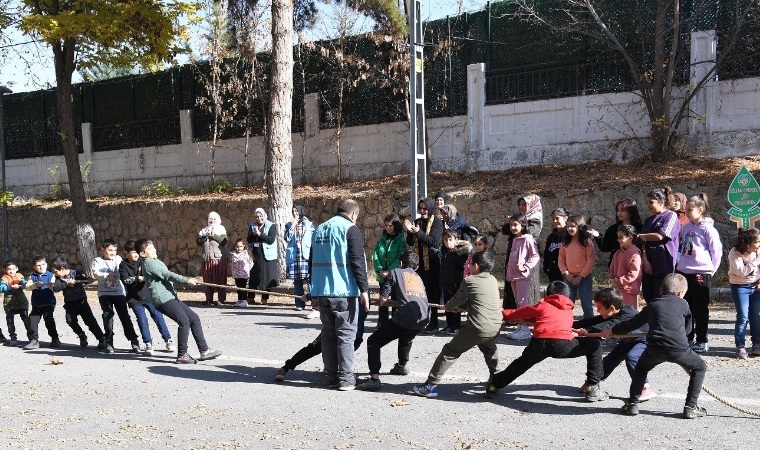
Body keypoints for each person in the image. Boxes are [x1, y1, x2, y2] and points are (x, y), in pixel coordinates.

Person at [601, 273, 708, 419]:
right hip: (678, 348)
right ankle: (691, 407)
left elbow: (632, 323)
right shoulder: (683, 304)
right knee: (700, 367)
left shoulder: (652, 305)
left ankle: (632, 404)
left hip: (654, 348)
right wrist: (685, 345)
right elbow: (689, 329)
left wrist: (612, 330)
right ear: (681, 293)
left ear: (660, 291)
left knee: (641, 369)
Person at [485, 281, 608, 402]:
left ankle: (494, 385)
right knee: (595, 345)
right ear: (567, 296)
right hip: (562, 345)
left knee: (521, 364)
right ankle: (592, 387)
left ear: (547, 295)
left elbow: (517, 314)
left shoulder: (541, 306)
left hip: (539, 343)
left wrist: (500, 314)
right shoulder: (568, 309)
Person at [413, 251, 501, 398]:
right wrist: (462, 306)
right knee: (490, 350)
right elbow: (478, 301)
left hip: (477, 327)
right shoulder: (493, 280)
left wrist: (448, 307)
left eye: (470, 264)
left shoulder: (470, 280)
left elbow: (456, 300)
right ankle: (496, 383)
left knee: (449, 352)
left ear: (476, 266)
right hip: (495, 325)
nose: (469, 266)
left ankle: (430, 386)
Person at [309, 199, 370, 391]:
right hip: (344, 291)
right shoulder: (350, 229)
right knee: (345, 335)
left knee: (328, 334)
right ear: (354, 214)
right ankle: (346, 378)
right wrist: (364, 290)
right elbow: (357, 261)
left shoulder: (319, 230)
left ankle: (332, 377)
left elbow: (312, 260)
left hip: (322, 290)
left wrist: (313, 290)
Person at [136, 239, 222, 364]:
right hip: (162, 299)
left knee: (194, 318)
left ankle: (204, 350)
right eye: (149, 249)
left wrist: (176, 283)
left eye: (153, 247)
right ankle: (182, 354)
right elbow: (166, 274)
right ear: (142, 254)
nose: (154, 249)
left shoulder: (154, 261)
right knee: (184, 321)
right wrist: (185, 280)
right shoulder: (149, 263)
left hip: (170, 296)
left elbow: (164, 277)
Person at [356, 251, 430, 391]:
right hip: (423, 318)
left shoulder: (395, 272)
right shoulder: (419, 278)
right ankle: (401, 366)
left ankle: (374, 378)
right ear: (417, 266)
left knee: (374, 341)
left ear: (401, 263)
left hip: (405, 317)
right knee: (406, 336)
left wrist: (382, 301)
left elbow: (384, 295)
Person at [573, 288, 655, 401]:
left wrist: (588, 331)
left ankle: (645, 387)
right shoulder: (614, 311)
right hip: (629, 339)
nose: (597, 310)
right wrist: (573, 324)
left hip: (643, 339)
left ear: (611, 308)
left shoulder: (627, 314)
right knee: (611, 359)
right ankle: (593, 382)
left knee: (632, 357)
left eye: (599, 307)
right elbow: (595, 320)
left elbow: (609, 325)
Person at [676, 193, 722, 353]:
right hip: (685, 271)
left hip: (701, 272)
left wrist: (710, 270)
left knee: (700, 308)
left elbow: (716, 253)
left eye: (690, 209)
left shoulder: (708, 229)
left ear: (700, 209)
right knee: (686, 307)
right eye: (686, 209)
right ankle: (688, 339)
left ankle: (702, 340)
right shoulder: (687, 227)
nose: (687, 212)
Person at [274, 307, 369, 382]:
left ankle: (339, 374)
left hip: (352, 334)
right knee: (314, 348)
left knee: (341, 351)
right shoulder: (359, 289)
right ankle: (286, 367)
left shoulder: (360, 290)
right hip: (338, 331)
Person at [119, 240, 175, 355]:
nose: (135, 255)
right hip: (134, 299)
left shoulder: (143, 261)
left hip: (149, 296)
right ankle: (148, 343)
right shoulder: (123, 265)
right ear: (126, 253)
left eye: (137, 253)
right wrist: (136, 278)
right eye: (133, 252)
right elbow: (125, 280)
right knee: (142, 320)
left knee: (158, 317)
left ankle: (168, 339)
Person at [91, 239, 140, 353]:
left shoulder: (118, 259)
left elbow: (123, 270)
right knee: (107, 316)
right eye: (110, 250)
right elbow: (95, 273)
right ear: (103, 250)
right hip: (104, 294)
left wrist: (118, 275)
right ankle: (109, 342)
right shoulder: (97, 261)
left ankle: (134, 341)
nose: (112, 252)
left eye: (114, 250)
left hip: (118, 292)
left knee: (125, 317)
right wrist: (108, 275)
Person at [50, 256, 107, 350]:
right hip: (69, 303)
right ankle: (81, 335)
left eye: (56, 271)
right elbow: (56, 288)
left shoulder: (75, 273)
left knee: (90, 321)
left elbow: (84, 280)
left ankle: (101, 338)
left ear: (62, 268)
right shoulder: (58, 278)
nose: (55, 273)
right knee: (70, 320)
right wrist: (66, 284)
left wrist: (88, 280)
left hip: (81, 301)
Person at [404, 197, 443, 333]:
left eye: (425, 208)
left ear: (431, 209)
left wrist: (418, 232)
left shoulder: (437, 223)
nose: (422, 211)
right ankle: (422, 319)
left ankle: (434, 322)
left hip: (432, 264)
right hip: (419, 264)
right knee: (420, 293)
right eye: (420, 208)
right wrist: (409, 232)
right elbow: (410, 242)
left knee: (433, 294)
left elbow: (434, 241)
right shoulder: (417, 222)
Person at [639, 187, 681, 304]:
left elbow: (661, 235)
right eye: (647, 203)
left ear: (661, 202)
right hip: (648, 266)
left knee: (661, 298)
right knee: (649, 298)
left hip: (663, 264)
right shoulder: (648, 220)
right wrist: (645, 259)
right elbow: (643, 243)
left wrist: (640, 236)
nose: (648, 205)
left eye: (651, 202)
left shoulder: (670, 216)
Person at [501, 194, 543, 309]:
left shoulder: (535, 218)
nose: (521, 207)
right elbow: (505, 230)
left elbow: (531, 232)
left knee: (526, 294)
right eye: (520, 204)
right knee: (514, 293)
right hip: (515, 256)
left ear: (532, 205)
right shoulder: (519, 220)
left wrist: (520, 225)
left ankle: (527, 319)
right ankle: (515, 316)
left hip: (526, 259)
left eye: (524, 204)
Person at [505, 213, 540, 340]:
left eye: (516, 225)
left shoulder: (528, 239)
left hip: (522, 275)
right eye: (511, 225)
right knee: (517, 302)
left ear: (523, 225)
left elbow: (535, 256)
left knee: (523, 301)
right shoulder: (515, 239)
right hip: (513, 274)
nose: (513, 227)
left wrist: (525, 266)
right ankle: (521, 325)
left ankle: (525, 328)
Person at [727, 228, 760, 360]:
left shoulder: (758, 251)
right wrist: (757, 260)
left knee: (755, 315)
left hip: (755, 286)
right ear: (748, 242)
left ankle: (757, 342)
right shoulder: (735, 253)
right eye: (757, 242)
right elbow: (742, 272)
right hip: (739, 286)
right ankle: (740, 345)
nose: (759, 244)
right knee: (743, 316)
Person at [559, 214, 596, 318]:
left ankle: (590, 326)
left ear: (580, 227)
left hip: (584, 278)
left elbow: (590, 261)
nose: (569, 228)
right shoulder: (565, 242)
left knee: (586, 304)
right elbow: (561, 260)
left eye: (572, 226)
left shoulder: (587, 242)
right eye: (568, 226)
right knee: (567, 304)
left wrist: (581, 276)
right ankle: (566, 324)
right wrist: (567, 274)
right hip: (569, 278)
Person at [372, 214, 406, 324]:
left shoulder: (401, 240)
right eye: (386, 225)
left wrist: (390, 271)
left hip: (394, 274)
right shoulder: (382, 239)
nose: (387, 228)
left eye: (390, 225)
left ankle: (396, 321)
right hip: (382, 275)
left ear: (395, 226)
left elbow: (400, 256)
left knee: (395, 300)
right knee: (383, 299)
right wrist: (380, 269)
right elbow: (376, 254)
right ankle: (382, 321)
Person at [590, 198, 643, 267]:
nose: (619, 213)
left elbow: (644, 247)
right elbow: (605, 248)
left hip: (635, 263)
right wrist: (597, 236)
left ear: (631, 212)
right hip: (617, 264)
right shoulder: (613, 229)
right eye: (618, 210)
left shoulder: (640, 228)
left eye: (622, 210)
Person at [439, 229, 472, 335]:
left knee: (455, 305)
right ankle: (449, 324)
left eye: (450, 239)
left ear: (456, 240)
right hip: (446, 282)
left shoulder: (459, 253)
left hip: (455, 284)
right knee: (447, 304)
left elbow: (462, 268)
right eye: (445, 239)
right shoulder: (443, 251)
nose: (448, 242)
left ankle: (456, 325)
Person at [23, 256, 59, 350]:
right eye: (38, 265)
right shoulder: (33, 276)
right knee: (32, 320)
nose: (41, 267)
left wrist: (51, 285)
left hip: (48, 302)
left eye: (43, 264)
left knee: (49, 319)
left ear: (46, 265)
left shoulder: (51, 275)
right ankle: (34, 340)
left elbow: (55, 286)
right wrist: (35, 285)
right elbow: (27, 287)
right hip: (37, 303)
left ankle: (55, 338)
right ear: (34, 267)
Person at [285, 205, 314, 311]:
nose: (295, 213)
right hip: (294, 256)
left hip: (305, 256)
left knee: (309, 280)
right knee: (297, 281)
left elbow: (313, 238)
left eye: (297, 211)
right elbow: (287, 238)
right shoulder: (288, 224)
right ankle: (299, 304)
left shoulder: (309, 224)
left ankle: (314, 303)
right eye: (293, 211)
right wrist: (292, 226)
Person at [196, 211, 229, 306]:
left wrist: (213, 235)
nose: (212, 221)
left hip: (219, 258)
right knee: (207, 279)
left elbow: (224, 242)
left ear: (218, 220)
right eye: (211, 219)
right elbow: (198, 242)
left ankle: (221, 298)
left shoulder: (221, 229)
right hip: (207, 258)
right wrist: (205, 236)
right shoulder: (204, 230)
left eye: (214, 219)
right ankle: (209, 298)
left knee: (220, 278)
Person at [247, 207, 279, 304]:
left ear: (264, 215)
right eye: (257, 217)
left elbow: (271, 239)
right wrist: (254, 233)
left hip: (267, 255)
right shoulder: (252, 225)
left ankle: (264, 298)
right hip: (255, 255)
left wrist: (260, 234)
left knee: (265, 276)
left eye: (261, 216)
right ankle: (251, 297)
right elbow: (249, 240)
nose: (259, 218)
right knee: (254, 276)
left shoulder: (271, 225)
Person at [609, 224, 643, 309]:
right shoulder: (617, 253)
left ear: (630, 237)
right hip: (617, 289)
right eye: (618, 237)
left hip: (629, 290)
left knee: (629, 314)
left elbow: (634, 274)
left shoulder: (635, 254)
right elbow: (612, 268)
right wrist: (611, 279)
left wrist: (618, 281)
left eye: (621, 237)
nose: (618, 240)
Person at [1, 260, 29, 346]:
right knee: (10, 321)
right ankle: (13, 337)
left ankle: (31, 336)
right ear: (5, 270)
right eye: (9, 269)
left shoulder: (20, 276)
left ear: (17, 269)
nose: (11, 271)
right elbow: (1, 288)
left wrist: (23, 285)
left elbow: (23, 284)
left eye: (13, 269)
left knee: (26, 319)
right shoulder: (4, 279)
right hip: (9, 304)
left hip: (21, 303)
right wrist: (11, 287)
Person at [543, 207, 569, 283]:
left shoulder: (569, 235)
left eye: (557, 218)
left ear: (565, 218)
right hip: (553, 271)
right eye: (553, 219)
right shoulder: (551, 237)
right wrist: (546, 267)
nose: (555, 221)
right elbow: (547, 253)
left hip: (566, 271)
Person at [229, 238, 254, 308]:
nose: (239, 248)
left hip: (243, 274)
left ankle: (244, 300)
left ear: (244, 246)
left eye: (240, 246)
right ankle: (239, 299)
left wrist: (247, 269)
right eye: (237, 246)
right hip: (236, 274)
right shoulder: (233, 254)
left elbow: (251, 263)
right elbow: (232, 262)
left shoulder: (246, 254)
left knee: (243, 287)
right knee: (238, 287)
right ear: (235, 246)